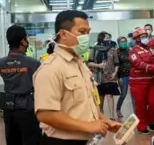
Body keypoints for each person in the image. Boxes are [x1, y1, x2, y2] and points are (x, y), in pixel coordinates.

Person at [33, 10, 122, 145]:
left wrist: (105, 121)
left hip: (85, 140)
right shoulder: (50, 68)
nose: (86, 37)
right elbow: (45, 114)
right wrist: (88, 126)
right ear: (63, 34)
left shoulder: (80, 64)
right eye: (82, 32)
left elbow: (86, 103)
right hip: (60, 141)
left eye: (88, 32)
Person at [0, 25, 42, 145]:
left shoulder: (0, 63)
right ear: (23, 41)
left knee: (12, 141)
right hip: (28, 109)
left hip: (9, 109)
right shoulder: (34, 63)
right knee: (31, 140)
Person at [129, 27, 154, 134]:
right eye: (142, 37)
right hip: (138, 82)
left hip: (152, 80)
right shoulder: (134, 51)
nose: (145, 38)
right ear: (137, 39)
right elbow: (139, 64)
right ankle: (142, 125)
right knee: (141, 105)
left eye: (146, 36)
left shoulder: (151, 49)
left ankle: (151, 121)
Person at [88, 32, 120, 118]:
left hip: (110, 76)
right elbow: (89, 63)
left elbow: (116, 63)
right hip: (99, 77)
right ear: (101, 38)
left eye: (109, 37)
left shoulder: (112, 49)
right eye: (106, 38)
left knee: (110, 95)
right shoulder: (94, 49)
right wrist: (98, 65)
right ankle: (102, 115)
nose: (108, 39)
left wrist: (115, 73)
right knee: (101, 97)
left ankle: (112, 117)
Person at [116, 36, 133, 118]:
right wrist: (118, 78)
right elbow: (115, 65)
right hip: (123, 75)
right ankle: (118, 109)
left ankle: (135, 111)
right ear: (118, 43)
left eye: (125, 41)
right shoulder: (116, 52)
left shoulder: (130, 50)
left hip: (132, 75)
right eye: (121, 42)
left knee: (134, 94)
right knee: (123, 94)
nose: (123, 43)